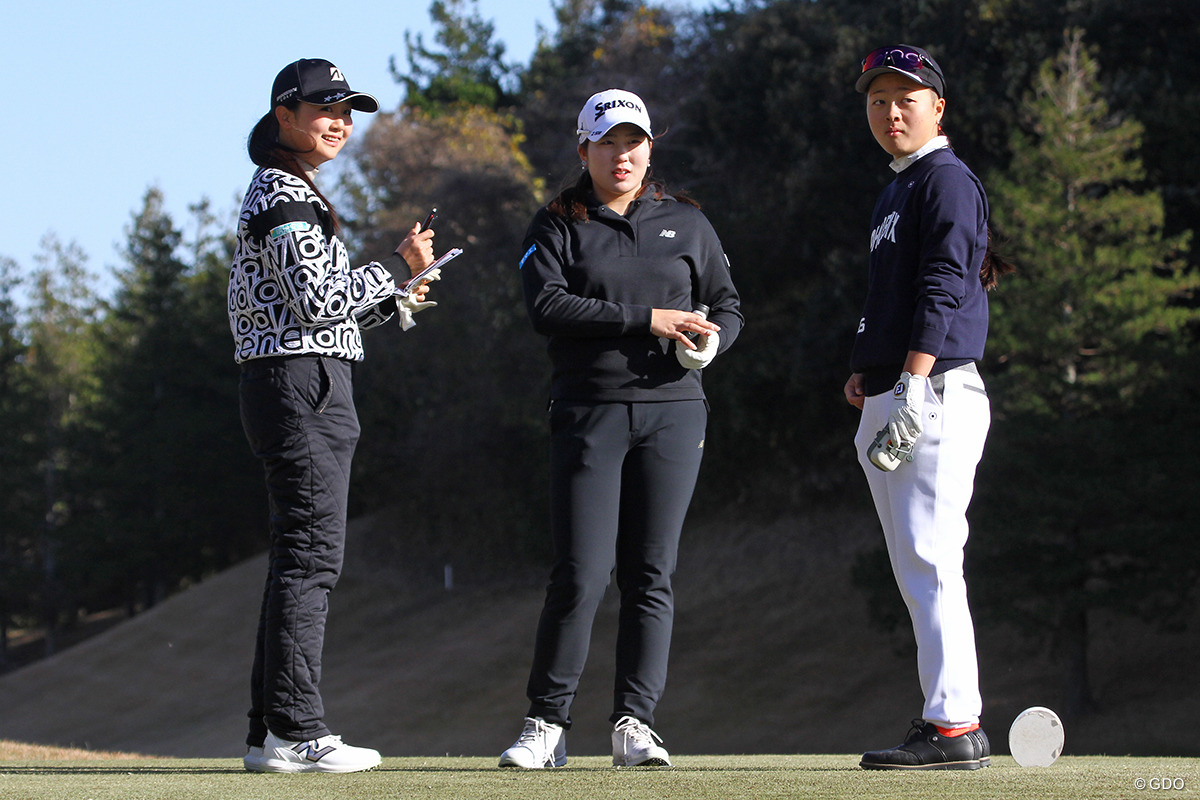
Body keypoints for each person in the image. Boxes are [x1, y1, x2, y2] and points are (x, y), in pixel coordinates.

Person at [499, 89, 743, 769]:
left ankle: (635, 724)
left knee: (651, 572)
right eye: (608, 143)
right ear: (584, 150)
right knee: (580, 572)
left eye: (634, 141)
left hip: (674, 410)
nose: (623, 154)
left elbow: (727, 305)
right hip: (590, 410)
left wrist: (710, 344)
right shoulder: (555, 225)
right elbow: (547, 305)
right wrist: (651, 320)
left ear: (649, 149)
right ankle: (546, 725)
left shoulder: (688, 223)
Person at [228, 58, 437, 774]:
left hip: (299, 378)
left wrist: (395, 290)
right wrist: (395, 262)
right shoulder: (284, 194)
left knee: (298, 559)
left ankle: (268, 737)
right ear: (284, 114)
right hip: (300, 388)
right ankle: (297, 730)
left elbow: (320, 315)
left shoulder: (291, 190)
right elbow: (319, 304)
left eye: (347, 108)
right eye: (325, 106)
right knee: (310, 560)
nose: (340, 119)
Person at [844, 45, 1011, 770]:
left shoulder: (945, 178)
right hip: (897, 390)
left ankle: (954, 726)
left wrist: (911, 378)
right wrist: (868, 370)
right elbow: (891, 294)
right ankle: (946, 719)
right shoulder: (896, 189)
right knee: (917, 566)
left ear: (937, 106)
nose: (890, 111)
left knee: (933, 560)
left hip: (935, 392)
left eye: (906, 97)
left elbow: (946, 282)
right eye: (878, 100)